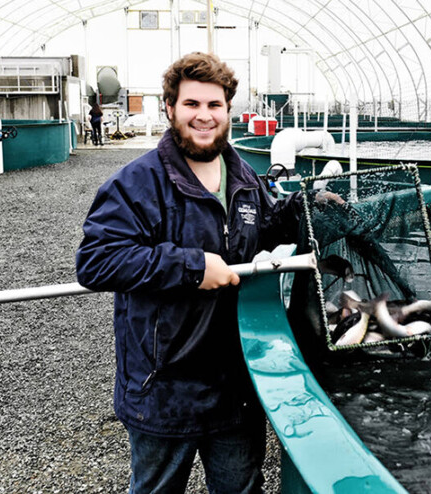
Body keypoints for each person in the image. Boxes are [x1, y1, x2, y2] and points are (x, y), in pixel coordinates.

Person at [75, 52, 304, 493]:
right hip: (162, 391)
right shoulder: (136, 183)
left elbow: (266, 227)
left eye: (214, 105)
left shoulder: (244, 177)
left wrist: (300, 212)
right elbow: (97, 260)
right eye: (191, 105)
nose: (204, 116)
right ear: (169, 108)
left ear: (228, 110)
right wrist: (192, 266)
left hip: (235, 388)